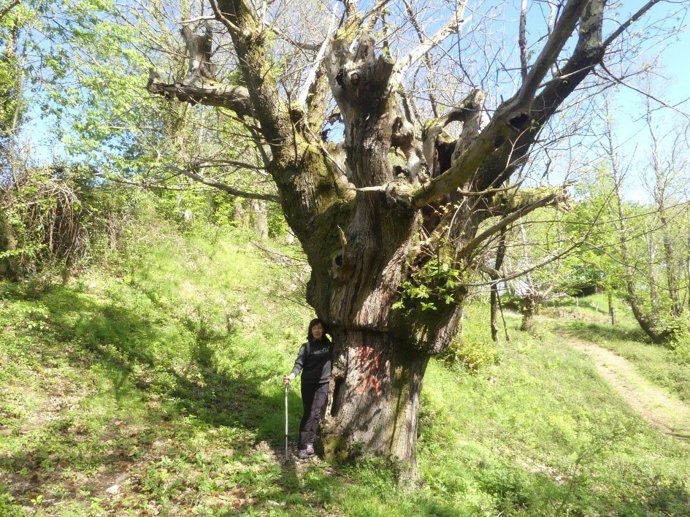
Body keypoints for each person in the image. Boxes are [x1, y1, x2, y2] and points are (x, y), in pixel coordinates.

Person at [284, 318, 332, 459]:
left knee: (317, 413)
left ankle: (310, 442)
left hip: (323, 383)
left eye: (320, 328)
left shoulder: (329, 345)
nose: (317, 330)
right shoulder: (306, 347)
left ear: (323, 330)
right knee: (309, 413)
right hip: (308, 383)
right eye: (314, 328)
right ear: (311, 331)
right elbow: (299, 364)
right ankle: (302, 446)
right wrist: (291, 376)